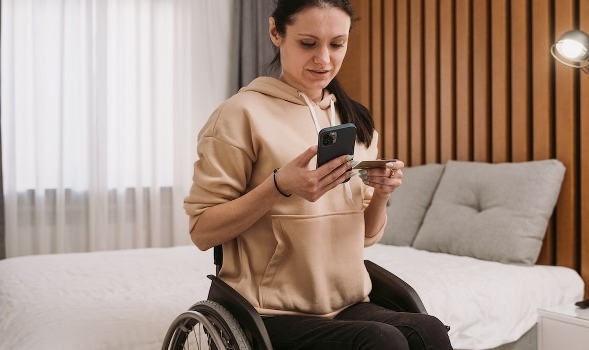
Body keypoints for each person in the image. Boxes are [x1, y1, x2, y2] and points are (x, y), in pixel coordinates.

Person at [184, 0, 453, 349]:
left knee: (427, 330)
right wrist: (280, 186)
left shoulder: (355, 122)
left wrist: (381, 193)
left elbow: (366, 238)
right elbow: (202, 231)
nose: (324, 59)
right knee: (381, 340)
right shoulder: (240, 114)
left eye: (337, 44)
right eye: (308, 43)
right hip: (266, 313)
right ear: (275, 33)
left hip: (347, 304)